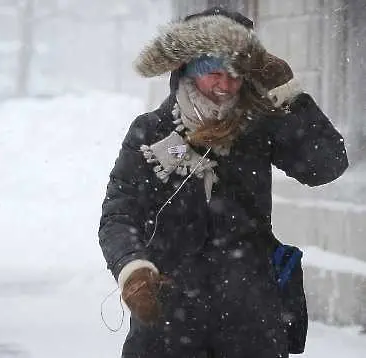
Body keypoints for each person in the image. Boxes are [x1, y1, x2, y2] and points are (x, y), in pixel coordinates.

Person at [98, 7, 348, 358]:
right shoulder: (151, 130)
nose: (226, 85)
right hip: (169, 322)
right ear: (188, 69)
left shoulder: (261, 125)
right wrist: (133, 269)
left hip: (250, 320)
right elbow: (118, 214)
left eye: (235, 75)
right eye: (214, 73)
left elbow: (327, 165)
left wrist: (289, 92)